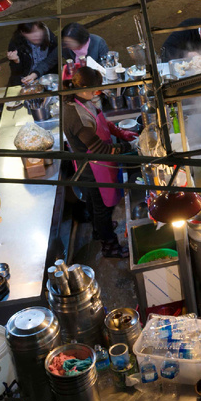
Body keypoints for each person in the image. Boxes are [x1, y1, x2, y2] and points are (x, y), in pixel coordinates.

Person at [62, 67, 136, 259]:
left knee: (95, 207)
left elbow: (102, 121)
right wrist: (129, 147)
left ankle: (98, 230)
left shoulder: (80, 100)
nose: (98, 93)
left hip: (97, 165)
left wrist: (120, 132)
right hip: (93, 170)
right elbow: (101, 150)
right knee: (103, 210)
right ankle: (109, 247)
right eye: (96, 89)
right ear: (86, 87)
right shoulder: (76, 116)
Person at [6, 22, 58, 86]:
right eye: (30, 32)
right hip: (26, 79)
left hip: (47, 76)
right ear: (23, 33)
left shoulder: (50, 37)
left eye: (37, 31)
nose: (35, 35)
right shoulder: (16, 43)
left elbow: (52, 60)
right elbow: (15, 72)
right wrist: (16, 61)